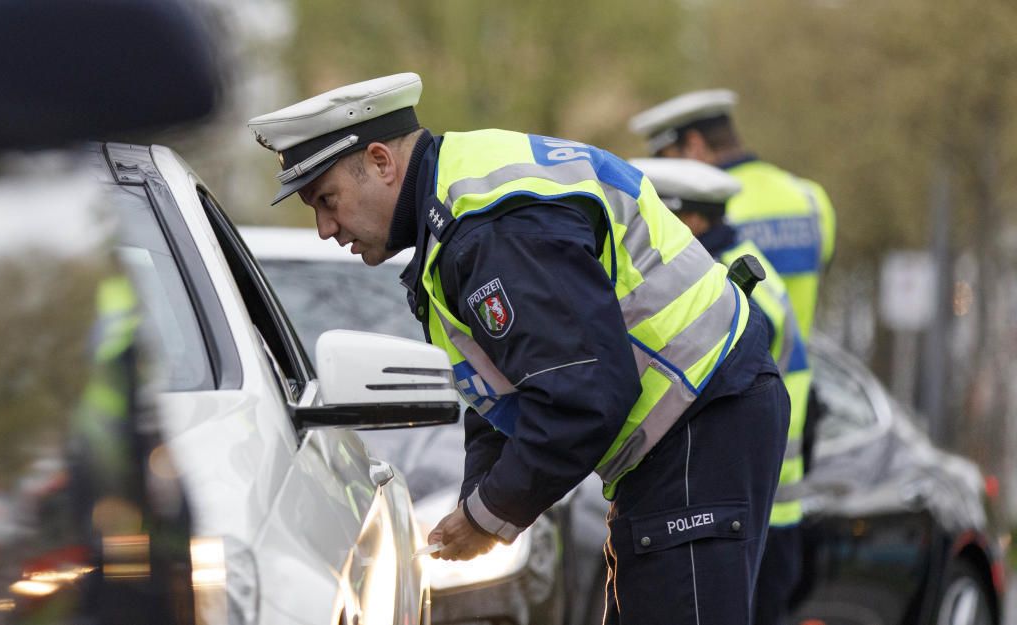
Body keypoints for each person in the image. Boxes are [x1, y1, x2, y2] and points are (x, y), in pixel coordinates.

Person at [247, 73, 789, 624]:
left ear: (382, 162)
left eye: (327, 199)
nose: (324, 228)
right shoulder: (457, 211)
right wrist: (481, 497)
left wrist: (488, 516)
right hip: (689, 425)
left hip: (700, 418)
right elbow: (510, 384)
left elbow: (583, 393)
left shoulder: (490, 230)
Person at [631, 158, 813, 625]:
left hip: (754, 507)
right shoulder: (733, 267)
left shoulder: (730, 289)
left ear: (689, 219)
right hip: (756, 499)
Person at [628, 90, 835, 340]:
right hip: (797, 371)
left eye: (664, 157)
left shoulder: (704, 215)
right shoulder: (811, 198)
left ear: (694, 145)